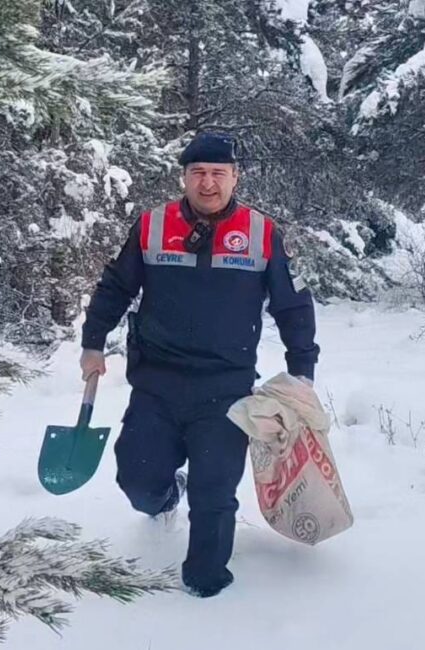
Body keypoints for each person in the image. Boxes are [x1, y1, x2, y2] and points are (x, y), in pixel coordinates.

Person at [78, 131, 319, 598]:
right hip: (157, 383)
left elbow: (292, 306)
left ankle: (206, 581)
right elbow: (115, 287)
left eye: (218, 174)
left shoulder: (261, 233)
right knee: (138, 481)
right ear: (184, 177)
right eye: (198, 173)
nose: (208, 183)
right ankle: (167, 496)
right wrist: (93, 342)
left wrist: (302, 370)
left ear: (235, 178)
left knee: (215, 492)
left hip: (226, 390)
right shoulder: (151, 226)